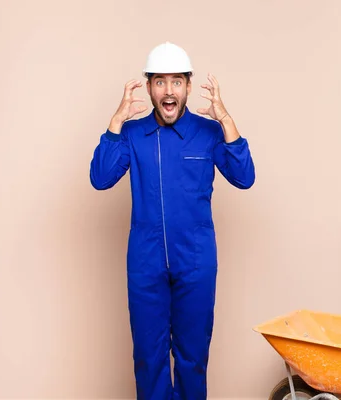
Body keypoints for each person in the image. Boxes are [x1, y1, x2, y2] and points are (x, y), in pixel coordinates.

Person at [89, 42, 255, 400]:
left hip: (195, 261)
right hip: (145, 262)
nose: (168, 91)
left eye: (176, 82)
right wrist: (116, 123)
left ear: (188, 87)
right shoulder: (132, 134)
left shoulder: (209, 133)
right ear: (149, 87)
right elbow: (100, 178)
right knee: (149, 359)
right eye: (160, 82)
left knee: (192, 358)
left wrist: (226, 120)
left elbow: (244, 177)